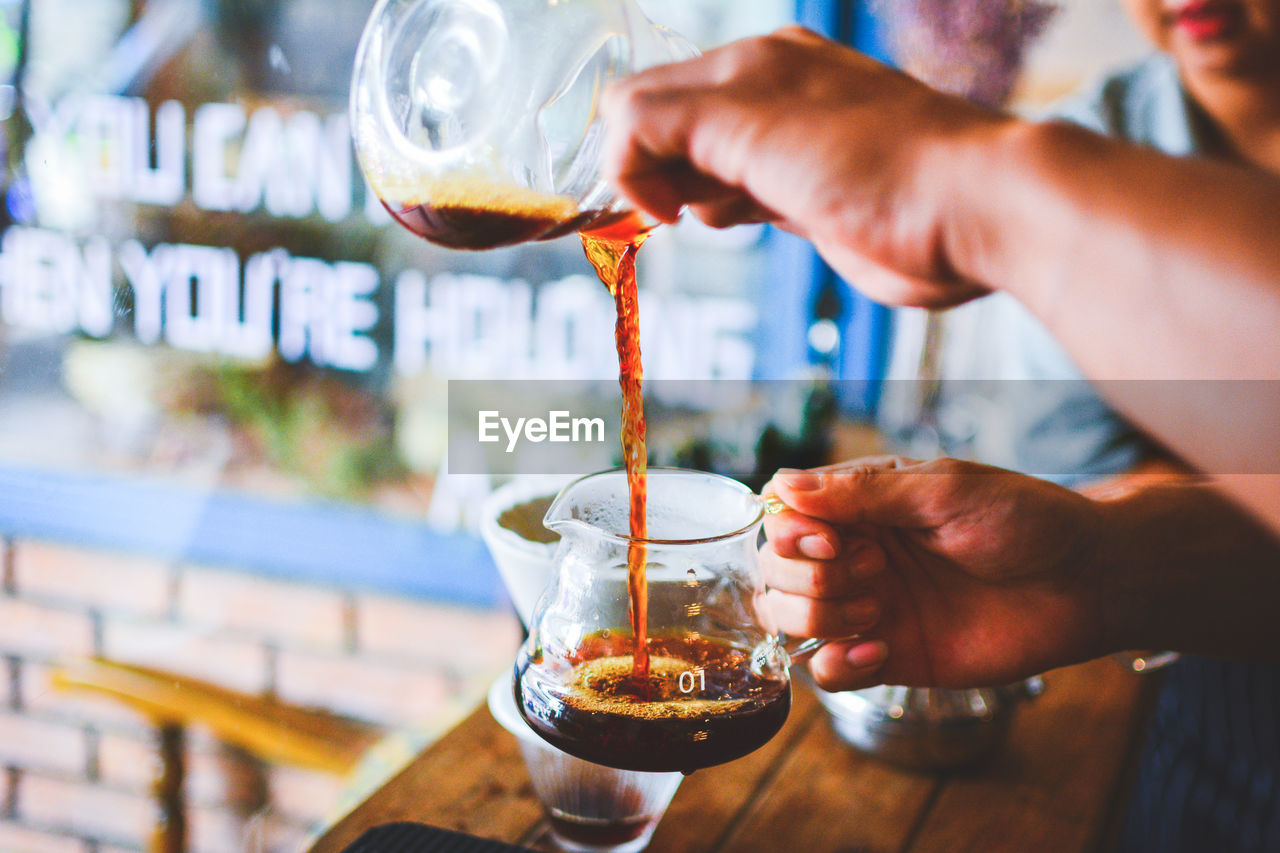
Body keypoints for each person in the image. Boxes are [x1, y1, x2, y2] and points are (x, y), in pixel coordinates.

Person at [599, 23, 1280, 536]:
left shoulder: (1073, 164)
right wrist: (1091, 572)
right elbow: (1078, 472)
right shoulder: (1101, 129)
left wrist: (965, 184)